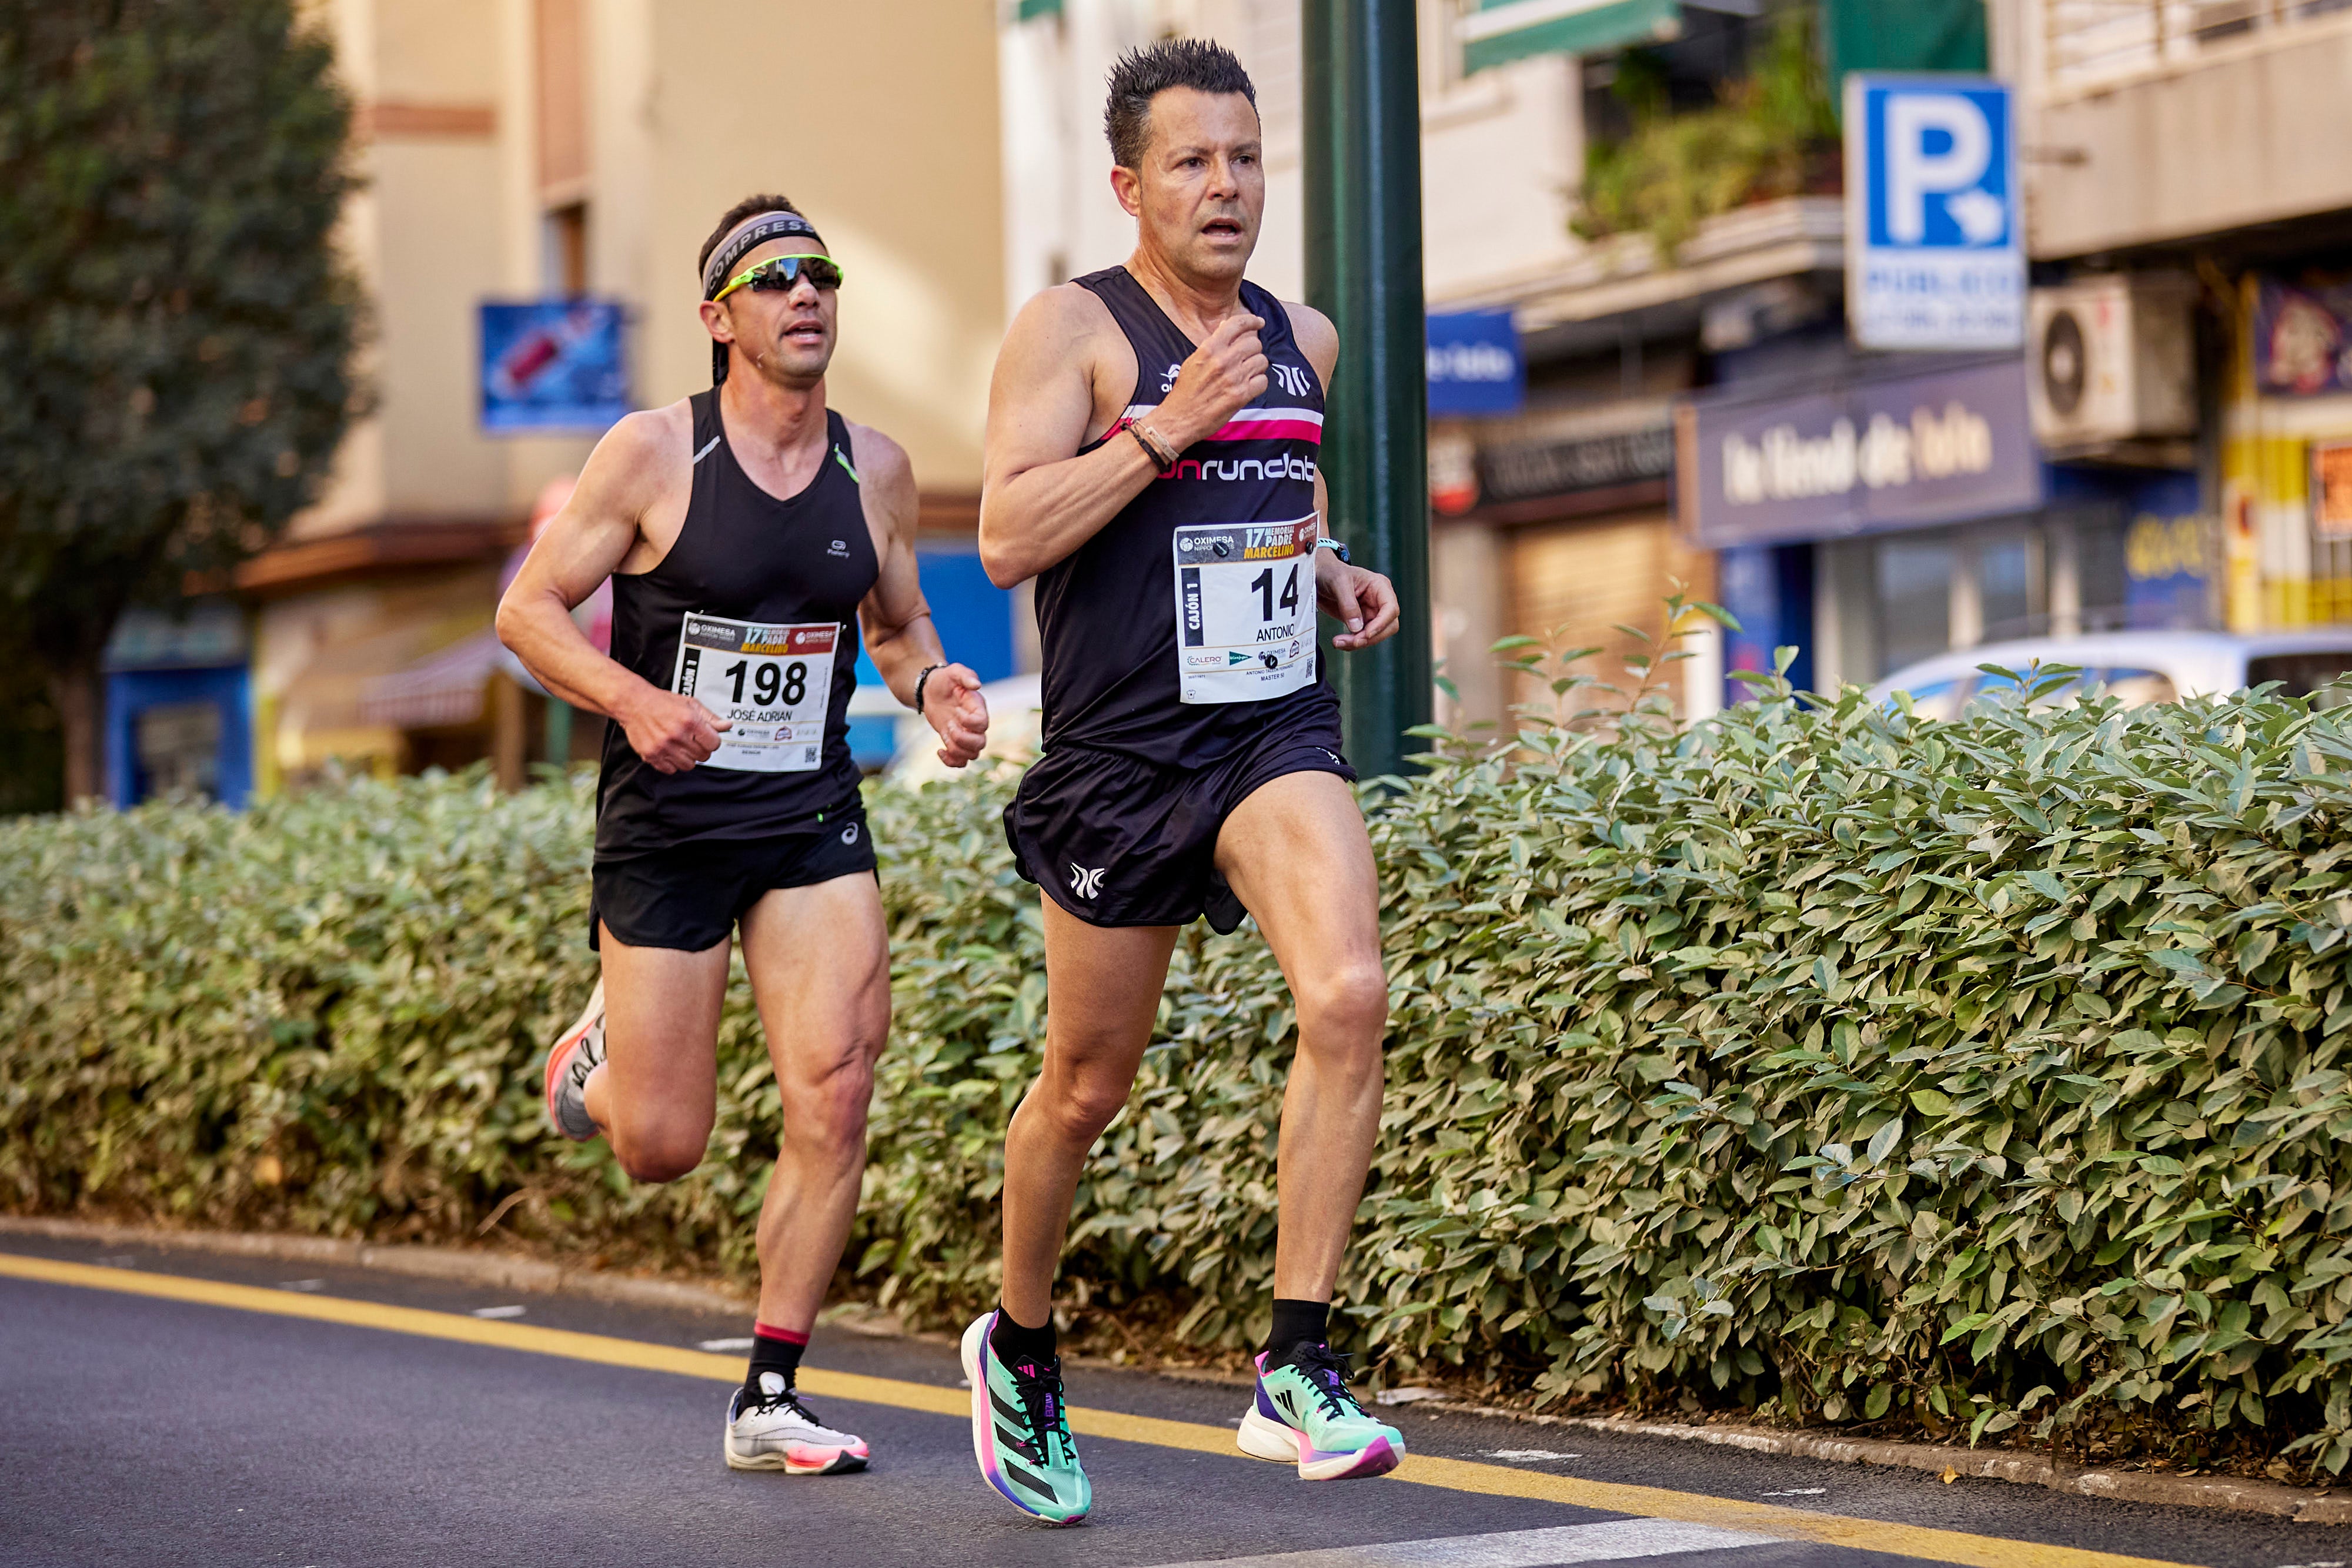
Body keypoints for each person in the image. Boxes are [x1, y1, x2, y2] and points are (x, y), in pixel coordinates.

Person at [962, 40, 1405, 1525]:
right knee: (1083, 1086)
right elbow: (1009, 538)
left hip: (1267, 729)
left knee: (1346, 992)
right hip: (1116, 756)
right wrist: (1161, 427)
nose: (1225, 187)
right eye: (1191, 163)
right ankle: (1018, 1342)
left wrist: (1330, 567)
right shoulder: (1071, 330)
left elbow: (1285, 493)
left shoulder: (1304, 336)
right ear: (1128, 186)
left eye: (1245, 158)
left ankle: (1295, 1360)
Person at [497, 194, 990, 1476]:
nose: (805, 294)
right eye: (773, 280)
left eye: (819, 273)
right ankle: (594, 1055)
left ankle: (770, 1391)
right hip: (665, 825)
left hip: (807, 814)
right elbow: (528, 610)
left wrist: (930, 680)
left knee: (835, 1087)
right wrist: (631, 697)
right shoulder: (654, 456)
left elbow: (892, 622)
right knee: (662, 1146)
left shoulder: (872, 468)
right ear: (721, 319)